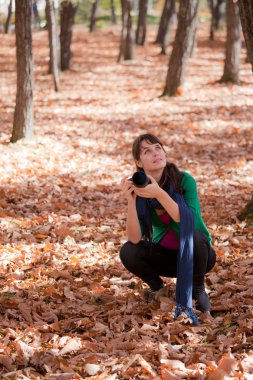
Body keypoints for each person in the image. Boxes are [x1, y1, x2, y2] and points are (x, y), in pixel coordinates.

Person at [120, 134, 216, 325]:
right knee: (128, 251)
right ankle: (157, 288)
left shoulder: (184, 181)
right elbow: (134, 238)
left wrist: (159, 194)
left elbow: (191, 222)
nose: (156, 153)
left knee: (194, 235)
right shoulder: (140, 189)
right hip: (166, 258)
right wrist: (131, 202)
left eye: (158, 148)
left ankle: (197, 290)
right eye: (147, 151)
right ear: (139, 162)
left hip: (198, 255)